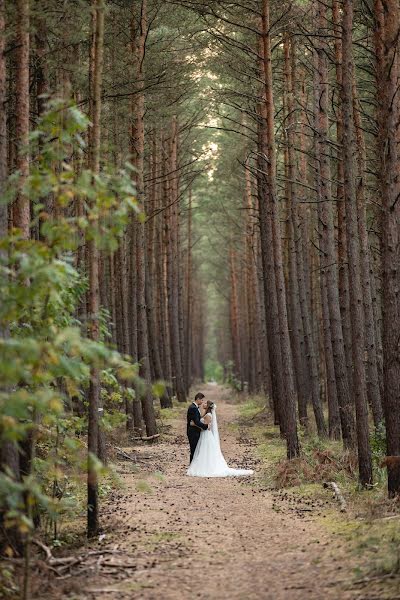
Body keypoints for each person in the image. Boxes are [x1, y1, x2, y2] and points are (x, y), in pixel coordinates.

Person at [187, 399, 254, 478]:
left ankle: (206, 467)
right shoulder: (206, 414)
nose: (203, 404)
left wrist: (194, 424)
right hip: (204, 435)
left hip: (206, 435)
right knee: (204, 451)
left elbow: (205, 427)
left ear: (208, 406)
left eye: (205, 403)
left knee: (205, 451)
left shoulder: (208, 415)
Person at [187, 392, 209, 463]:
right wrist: (205, 426)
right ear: (198, 399)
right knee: (194, 450)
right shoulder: (193, 408)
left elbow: (197, 419)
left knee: (196, 449)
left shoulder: (195, 407)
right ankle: (192, 467)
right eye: (202, 400)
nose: (202, 402)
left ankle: (194, 466)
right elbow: (196, 421)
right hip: (193, 432)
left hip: (195, 431)